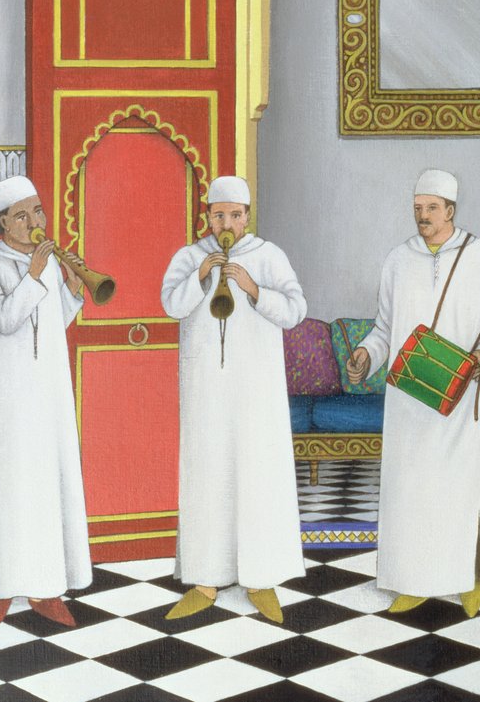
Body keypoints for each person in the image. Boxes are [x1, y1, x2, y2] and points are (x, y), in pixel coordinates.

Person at [345, 169, 480, 617]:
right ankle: (416, 580)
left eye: (432, 208)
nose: (423, 216)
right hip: (412, 397)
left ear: (451, 210)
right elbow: (385, 328)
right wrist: (366, 354)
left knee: (464, 489)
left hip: (466, 393)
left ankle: (472, 579)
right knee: (415, 491)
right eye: (418, 208)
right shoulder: (398, 260)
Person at [160, 175, 308, 624]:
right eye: (219, 215)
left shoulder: (269, 256)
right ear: (208, 216)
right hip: (205, 391)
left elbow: (295, 310)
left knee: (258, 478)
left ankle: (260, 579)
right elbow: (170, 305)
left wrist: (253, 288)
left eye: (235, 215)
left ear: (247, 217)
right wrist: (201, 276)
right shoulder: (189, 257)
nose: (227, 223)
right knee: (207, 478)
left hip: (256, 393)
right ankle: (206, 580)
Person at [0, 176, 91, 632]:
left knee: (43, 491)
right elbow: (4, 318)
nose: (35, 221)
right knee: (7, 494)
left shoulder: (47, 264)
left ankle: (45, 590)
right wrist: (35, 274)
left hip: (44, 399)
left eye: (38, 211)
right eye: (22, 215)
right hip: (4, 404)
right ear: (1, 223)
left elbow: (49, 323)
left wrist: (73, 290)